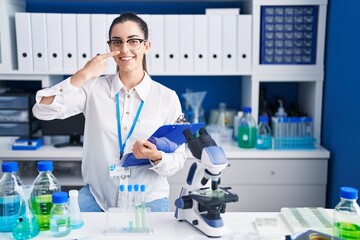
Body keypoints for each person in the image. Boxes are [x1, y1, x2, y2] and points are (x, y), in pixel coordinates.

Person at [32, 12, 186, 212]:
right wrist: (84, 74)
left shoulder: (167, 97)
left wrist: (157, 156)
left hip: (148, 199)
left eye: (133, 41)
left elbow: (178, 159)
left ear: (146, 46)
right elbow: (42, 110)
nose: (124, 49)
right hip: (97, 198)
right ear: (110, 47)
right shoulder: (93, 88)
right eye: (117, 42)